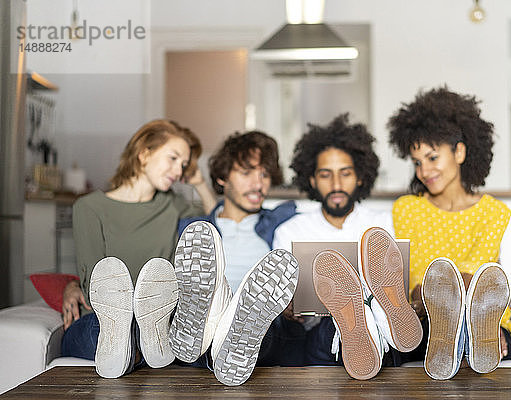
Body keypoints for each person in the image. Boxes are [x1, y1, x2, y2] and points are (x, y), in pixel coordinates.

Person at [61, 119, 217, 377]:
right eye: (174, 158)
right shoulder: (89, 208)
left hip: (162, 318)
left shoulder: (172, 205)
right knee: (85, 335)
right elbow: (92, 287)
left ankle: (141, 347)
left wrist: (199, 182)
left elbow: (217, 219)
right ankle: (141, 346)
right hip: (108, 319)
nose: (179, 170)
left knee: (193, 339)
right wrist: (72, 285)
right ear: (144, 154)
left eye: (184, 164)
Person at [272, 114, 422, 380]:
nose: (337, 185)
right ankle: (358, 323)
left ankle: (372, 321)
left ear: (361, 177)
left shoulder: (384, 224)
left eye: (346, 173)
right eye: (326, 175)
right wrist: (287, 306)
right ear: (312, 180)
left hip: (384, 330)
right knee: (331, 326)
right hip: (319, 334)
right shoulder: (290, 231)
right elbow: (282, 301)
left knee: (384, 319)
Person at [387, 86, 511, 379]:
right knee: (430, 307)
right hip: (427, 312)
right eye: (417, 162)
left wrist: (455, 294)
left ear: (459, 151)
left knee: (476, 296)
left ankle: (475, 334)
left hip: (482, 310)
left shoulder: (494, 211)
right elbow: (417, 275)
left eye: (432, 158)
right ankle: (456, 335)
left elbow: (479, 273)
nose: (424, 171)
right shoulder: (407, 209)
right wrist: (435, 295)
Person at [173, 130, 304, 385]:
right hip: (210, 315)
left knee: (264, 321)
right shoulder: (196, 230)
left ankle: (234, 338)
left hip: (267, 326)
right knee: (203, 315)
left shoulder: (280, 222)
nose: (258, 184)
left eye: (264, 174)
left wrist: (294, 299)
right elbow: (218, 214)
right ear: (222, 178)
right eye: (246, 173)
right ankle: (222, 339)